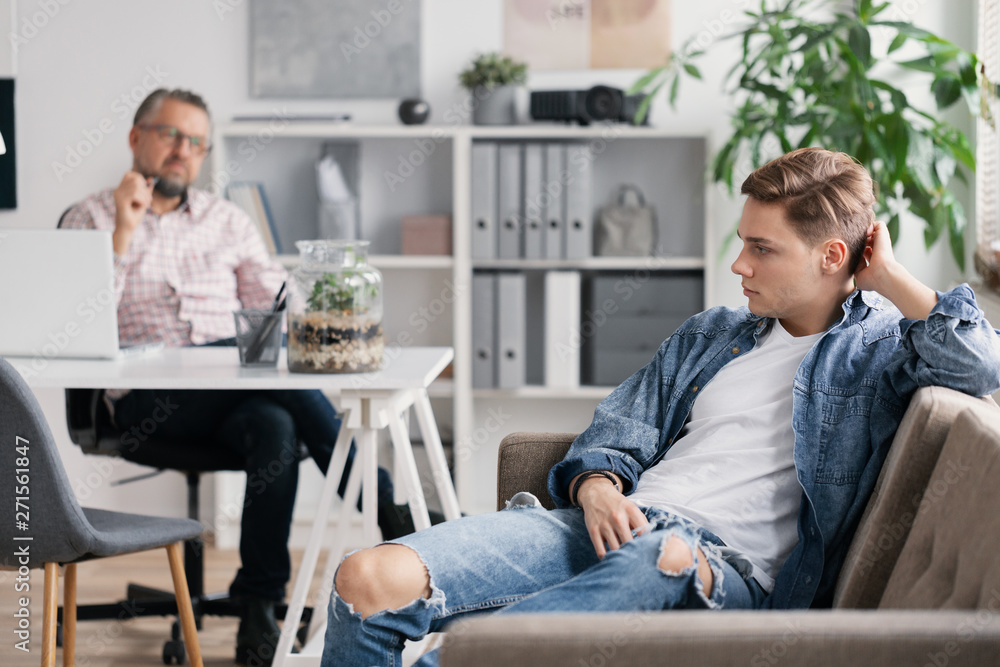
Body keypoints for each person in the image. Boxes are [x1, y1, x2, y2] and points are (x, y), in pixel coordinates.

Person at [320, 147, 1000, 667]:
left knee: (664, 556)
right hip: (609, 526)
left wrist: (889, 276)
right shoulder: (713, 333)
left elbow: (979, 366)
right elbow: (619, 427)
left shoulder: (880, 351)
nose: (740, 264)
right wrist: (594, 488)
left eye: (761, 248)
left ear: (831, 256)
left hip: (715, 571)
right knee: (367, 578)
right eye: (743, 241)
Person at [60, 88, 424, 667]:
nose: (184, 151)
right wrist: (122, 236)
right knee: (282, 396)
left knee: (276, 425)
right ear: (136, 139)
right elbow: (75, 325)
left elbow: (280, 302)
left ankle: (258, 607)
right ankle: (390, 512)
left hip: (233, 386)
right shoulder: (90, 218)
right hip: (145, 401)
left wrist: (328, 302)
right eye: (171, 135)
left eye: (196, 142)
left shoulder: (228, 220)